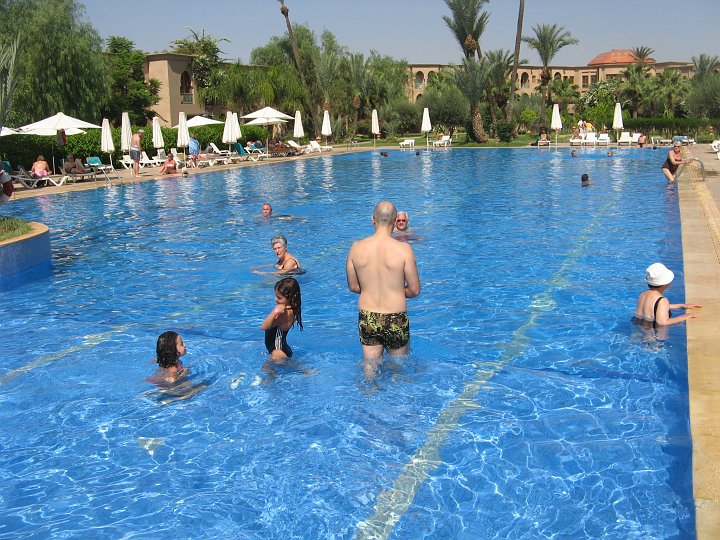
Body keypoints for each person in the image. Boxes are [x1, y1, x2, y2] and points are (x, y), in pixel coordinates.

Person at [346, 201, 421, 380]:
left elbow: (354, 286)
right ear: (395, 222)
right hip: (395, 316)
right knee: (398, 371)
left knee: (370, 370)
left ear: (373, 220)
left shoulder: (356, 247)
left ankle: (368, 400)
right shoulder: (403, 249)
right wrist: (394, 291)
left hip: (368, 316)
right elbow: (415, 290)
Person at [633, 263, 700, 327]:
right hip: (652, 334)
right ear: (665, 283)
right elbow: (662, 322)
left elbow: (654, 308)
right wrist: (686, 316)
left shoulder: (643, 294)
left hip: (637, 327)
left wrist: (681, 305)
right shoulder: (662, 300)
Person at [261, 277, 304, 368]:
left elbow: (264, 327)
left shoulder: (285, 313)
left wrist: (274, 312)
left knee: (266, 370)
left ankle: (306, 371)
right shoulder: (290, 310)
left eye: (279, 297)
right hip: (281, 349)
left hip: (278, 351)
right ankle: (306, 371)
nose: (275, 299)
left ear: (290, 298)